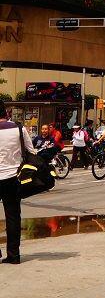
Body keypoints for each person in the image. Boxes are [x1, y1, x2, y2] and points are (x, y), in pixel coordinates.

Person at [0, 101, 37, 264]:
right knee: (13, 216)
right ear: (6, 112)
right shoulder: (19, 128)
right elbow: (31, 151)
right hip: (13, 178)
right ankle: (14, 255)